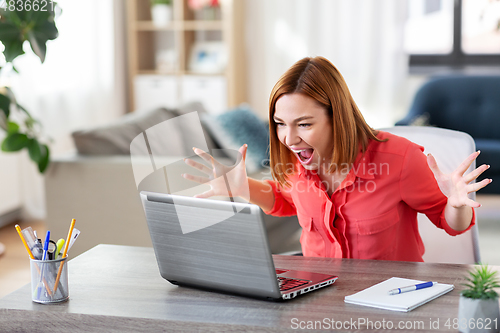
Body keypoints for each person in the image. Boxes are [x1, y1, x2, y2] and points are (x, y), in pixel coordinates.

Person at [183, 56, 491, 261]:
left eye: (304, 124)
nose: (289, 139)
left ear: (337, 117)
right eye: (280, 123)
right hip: (317, 296)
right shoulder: (297, 158)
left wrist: (454, 204)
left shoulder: (400, 158)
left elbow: (453, 225)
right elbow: (286, 200)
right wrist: (244, 188)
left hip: (388, 299)